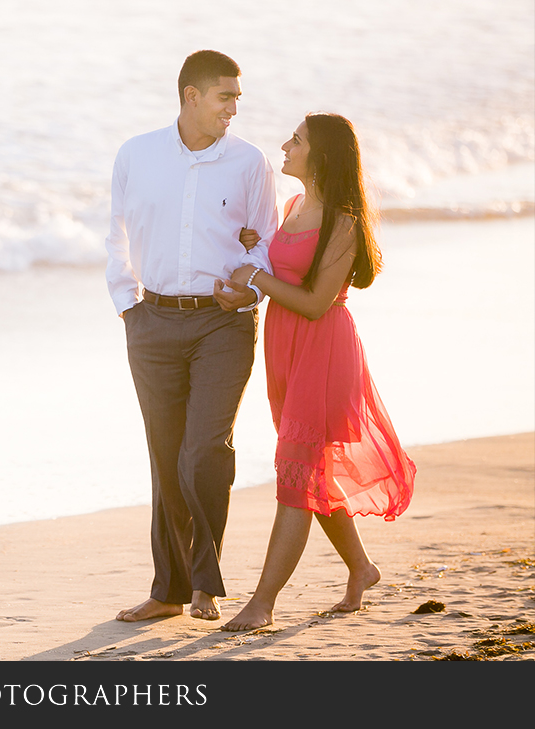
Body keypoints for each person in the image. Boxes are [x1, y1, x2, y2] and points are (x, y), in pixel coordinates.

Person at [214, 113, 416, 631]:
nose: (285, 145)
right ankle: (362, 569)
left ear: (320, 156)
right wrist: (246, 274)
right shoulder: (294, 205)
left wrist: (256, 274)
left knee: (295, 475)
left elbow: (314, 302)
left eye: (297, 140)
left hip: (324, 351)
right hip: (285, 349)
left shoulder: (343, 222)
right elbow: (278, 277)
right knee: (311, 472)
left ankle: (262, 604)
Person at [106, 50, 278, 622]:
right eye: (225, 96)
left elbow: (266, 241)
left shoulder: (249, 162)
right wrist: (127, 303)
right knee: (164, 455)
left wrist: (249, 291)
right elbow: (117, 232)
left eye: (237, 97)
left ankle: (206, 582)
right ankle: (169, 591)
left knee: (203, 450)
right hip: (151, 320)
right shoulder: (136, 154)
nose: (234, 107)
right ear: (192, 97)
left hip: (222, 322)